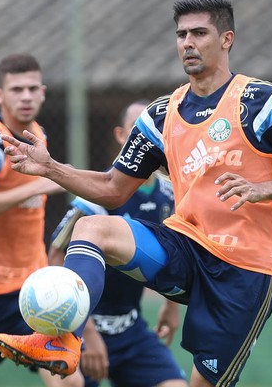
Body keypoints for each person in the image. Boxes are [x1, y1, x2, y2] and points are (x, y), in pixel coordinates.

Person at [0, 0, 272, 387]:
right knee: (92, 228)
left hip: (245, 271)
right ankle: (60, 339)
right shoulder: (161, 114)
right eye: (181, 35)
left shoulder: (265, 101)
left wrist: (263, 189)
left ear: (227, 39)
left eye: (199, 33)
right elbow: (111, 189)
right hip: (187, 247)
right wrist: (52, 168)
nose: (187, 43)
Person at [49, 100, 187, 386]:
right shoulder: (97, 195)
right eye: (138, 130)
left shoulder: (169, 194)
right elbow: (54, 257)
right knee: (69, 383)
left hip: (130, 327)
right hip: (84, 328)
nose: (149, 139)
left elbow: (177, 250)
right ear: (121, 136)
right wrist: (85, 332)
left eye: (159, 132)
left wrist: (171, 305)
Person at [0, 53, 80, 387]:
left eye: (31, 89)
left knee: (70, 377)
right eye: (16, 89)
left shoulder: (37, 136)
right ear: (0, 96)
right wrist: (42, 184)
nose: (25, 96)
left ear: (43, 92)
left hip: (32, 289)